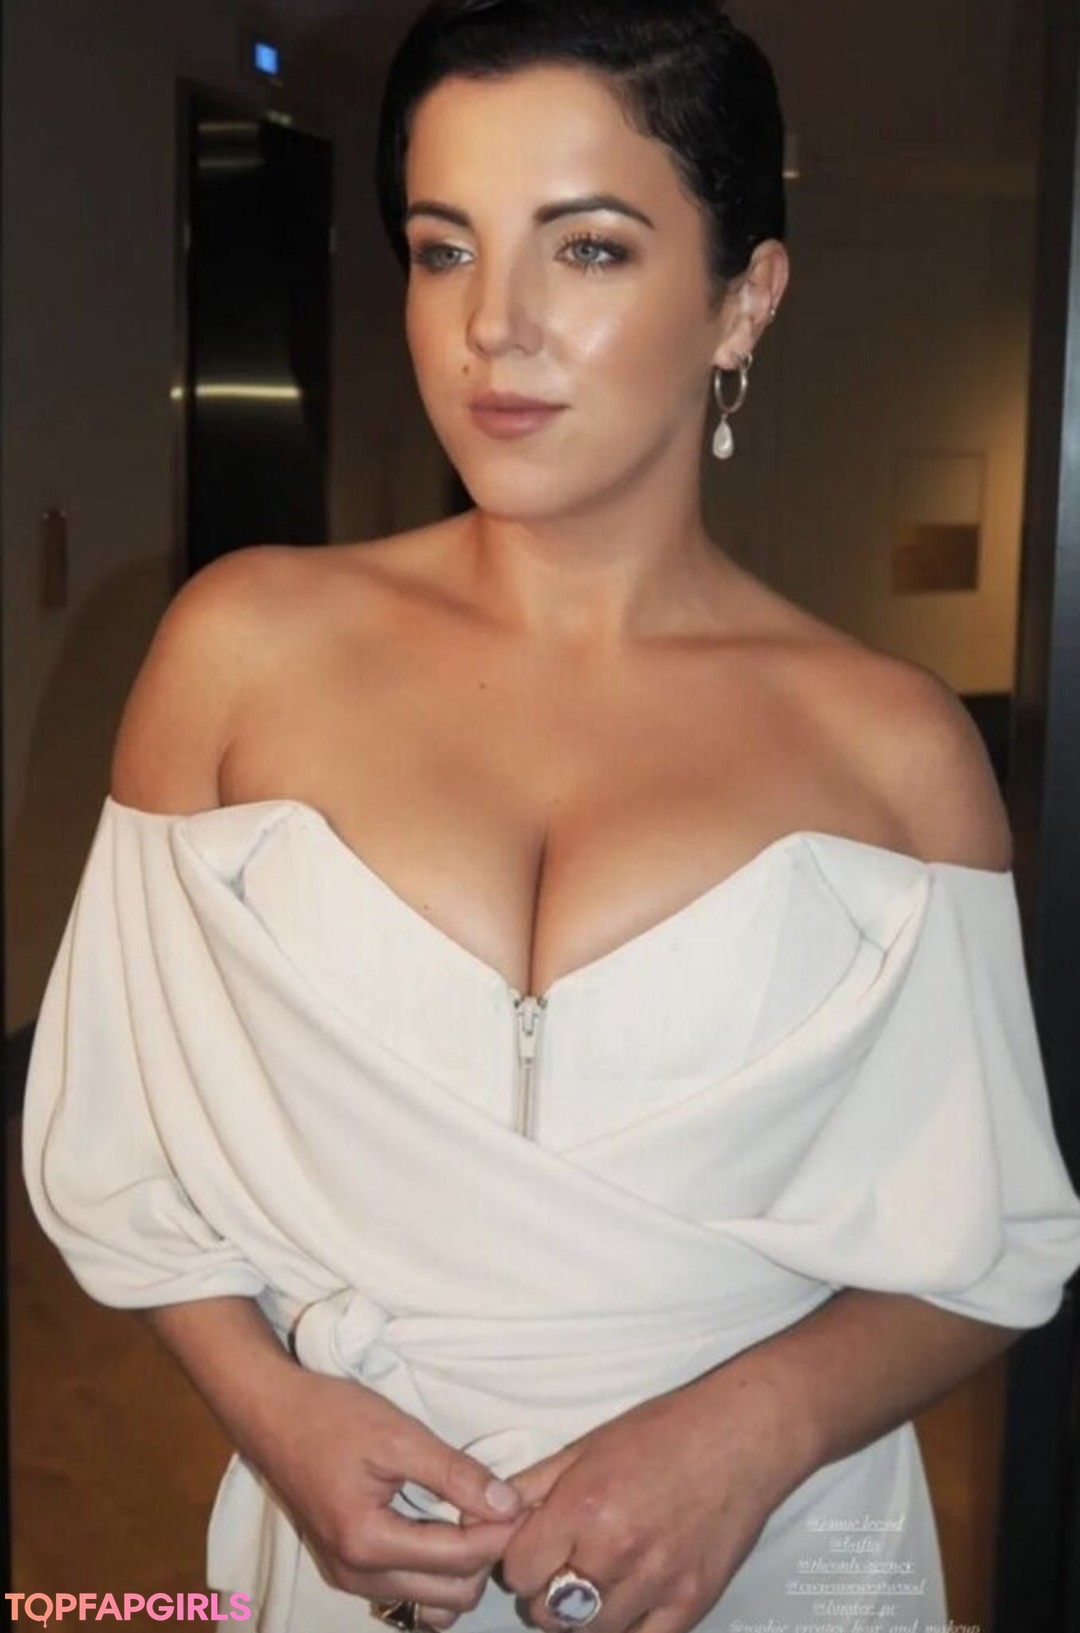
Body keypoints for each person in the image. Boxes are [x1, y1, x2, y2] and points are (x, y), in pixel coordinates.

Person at [21, 2, 1080, 1631]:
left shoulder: (895, 752)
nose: (491, 326)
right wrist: (275, 1409)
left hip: (764, 1557)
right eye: (443, 249)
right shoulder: (235, 654)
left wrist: (757, 1429)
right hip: (354, 1554)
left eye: (586, 250)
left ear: (745, 297)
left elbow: (994, 1239)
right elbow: (120, 1146)